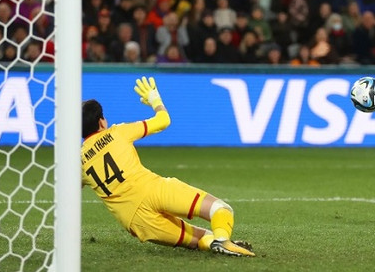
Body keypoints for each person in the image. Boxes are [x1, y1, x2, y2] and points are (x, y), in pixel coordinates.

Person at [81, 77, 254, 256]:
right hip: (153, 190)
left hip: (136, 221)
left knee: (198, 239)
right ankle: (223, 240)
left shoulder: (79, 161)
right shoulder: (117, 133)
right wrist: (154, 99)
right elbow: (163, 120)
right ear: (102, 122)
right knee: (220, 209)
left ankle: (218, 243)